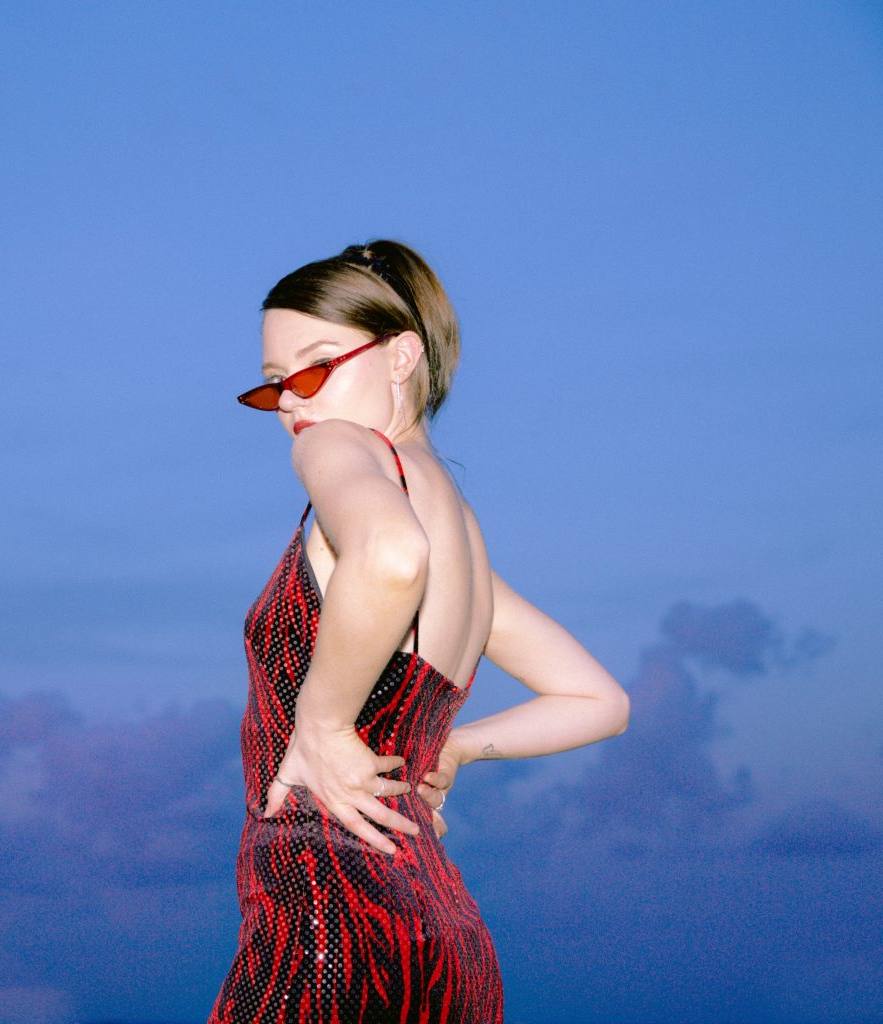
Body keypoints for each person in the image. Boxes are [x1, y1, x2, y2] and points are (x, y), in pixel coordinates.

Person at [208, 240, 630, 1023]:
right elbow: (598, 700)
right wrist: (456, 748)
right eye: (274, 385)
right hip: (445, 936)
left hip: (329, 918)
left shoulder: (338, 444)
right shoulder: (463, 536)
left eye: (316, 367)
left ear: (401, 356)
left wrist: (323, 724)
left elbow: (391, 555)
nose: (294, 403)